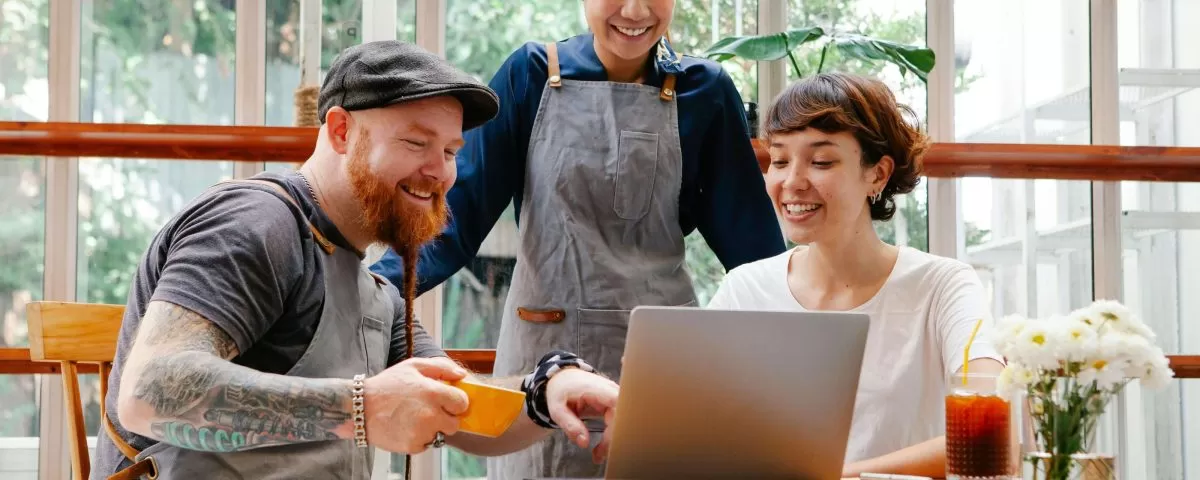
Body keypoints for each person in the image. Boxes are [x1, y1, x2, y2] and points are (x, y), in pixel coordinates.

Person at [94, 40, 620, 480]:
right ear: (341, 131)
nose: (440, 172)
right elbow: (150, 392)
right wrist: (365, 407)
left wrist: (547, 390)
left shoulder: (374, 292)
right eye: (417, 142)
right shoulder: (255, 224)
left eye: (452, 151)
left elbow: (460, 411)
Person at [371, 2, 785, 476]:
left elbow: (755, 255)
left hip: (661, 364)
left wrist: (803, 373)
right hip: (540, 361)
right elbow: (452, 225)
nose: (634, 10)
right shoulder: (529, 75)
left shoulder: (705, 91)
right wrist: (368, 293)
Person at [706, 73, 1006, 479]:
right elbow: (697, 432)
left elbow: (995, 432)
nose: (792, 182)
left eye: (821, 161)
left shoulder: (943, 287)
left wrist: (841, 474)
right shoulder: (744, 290)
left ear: (878, 174)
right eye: (778, 160)